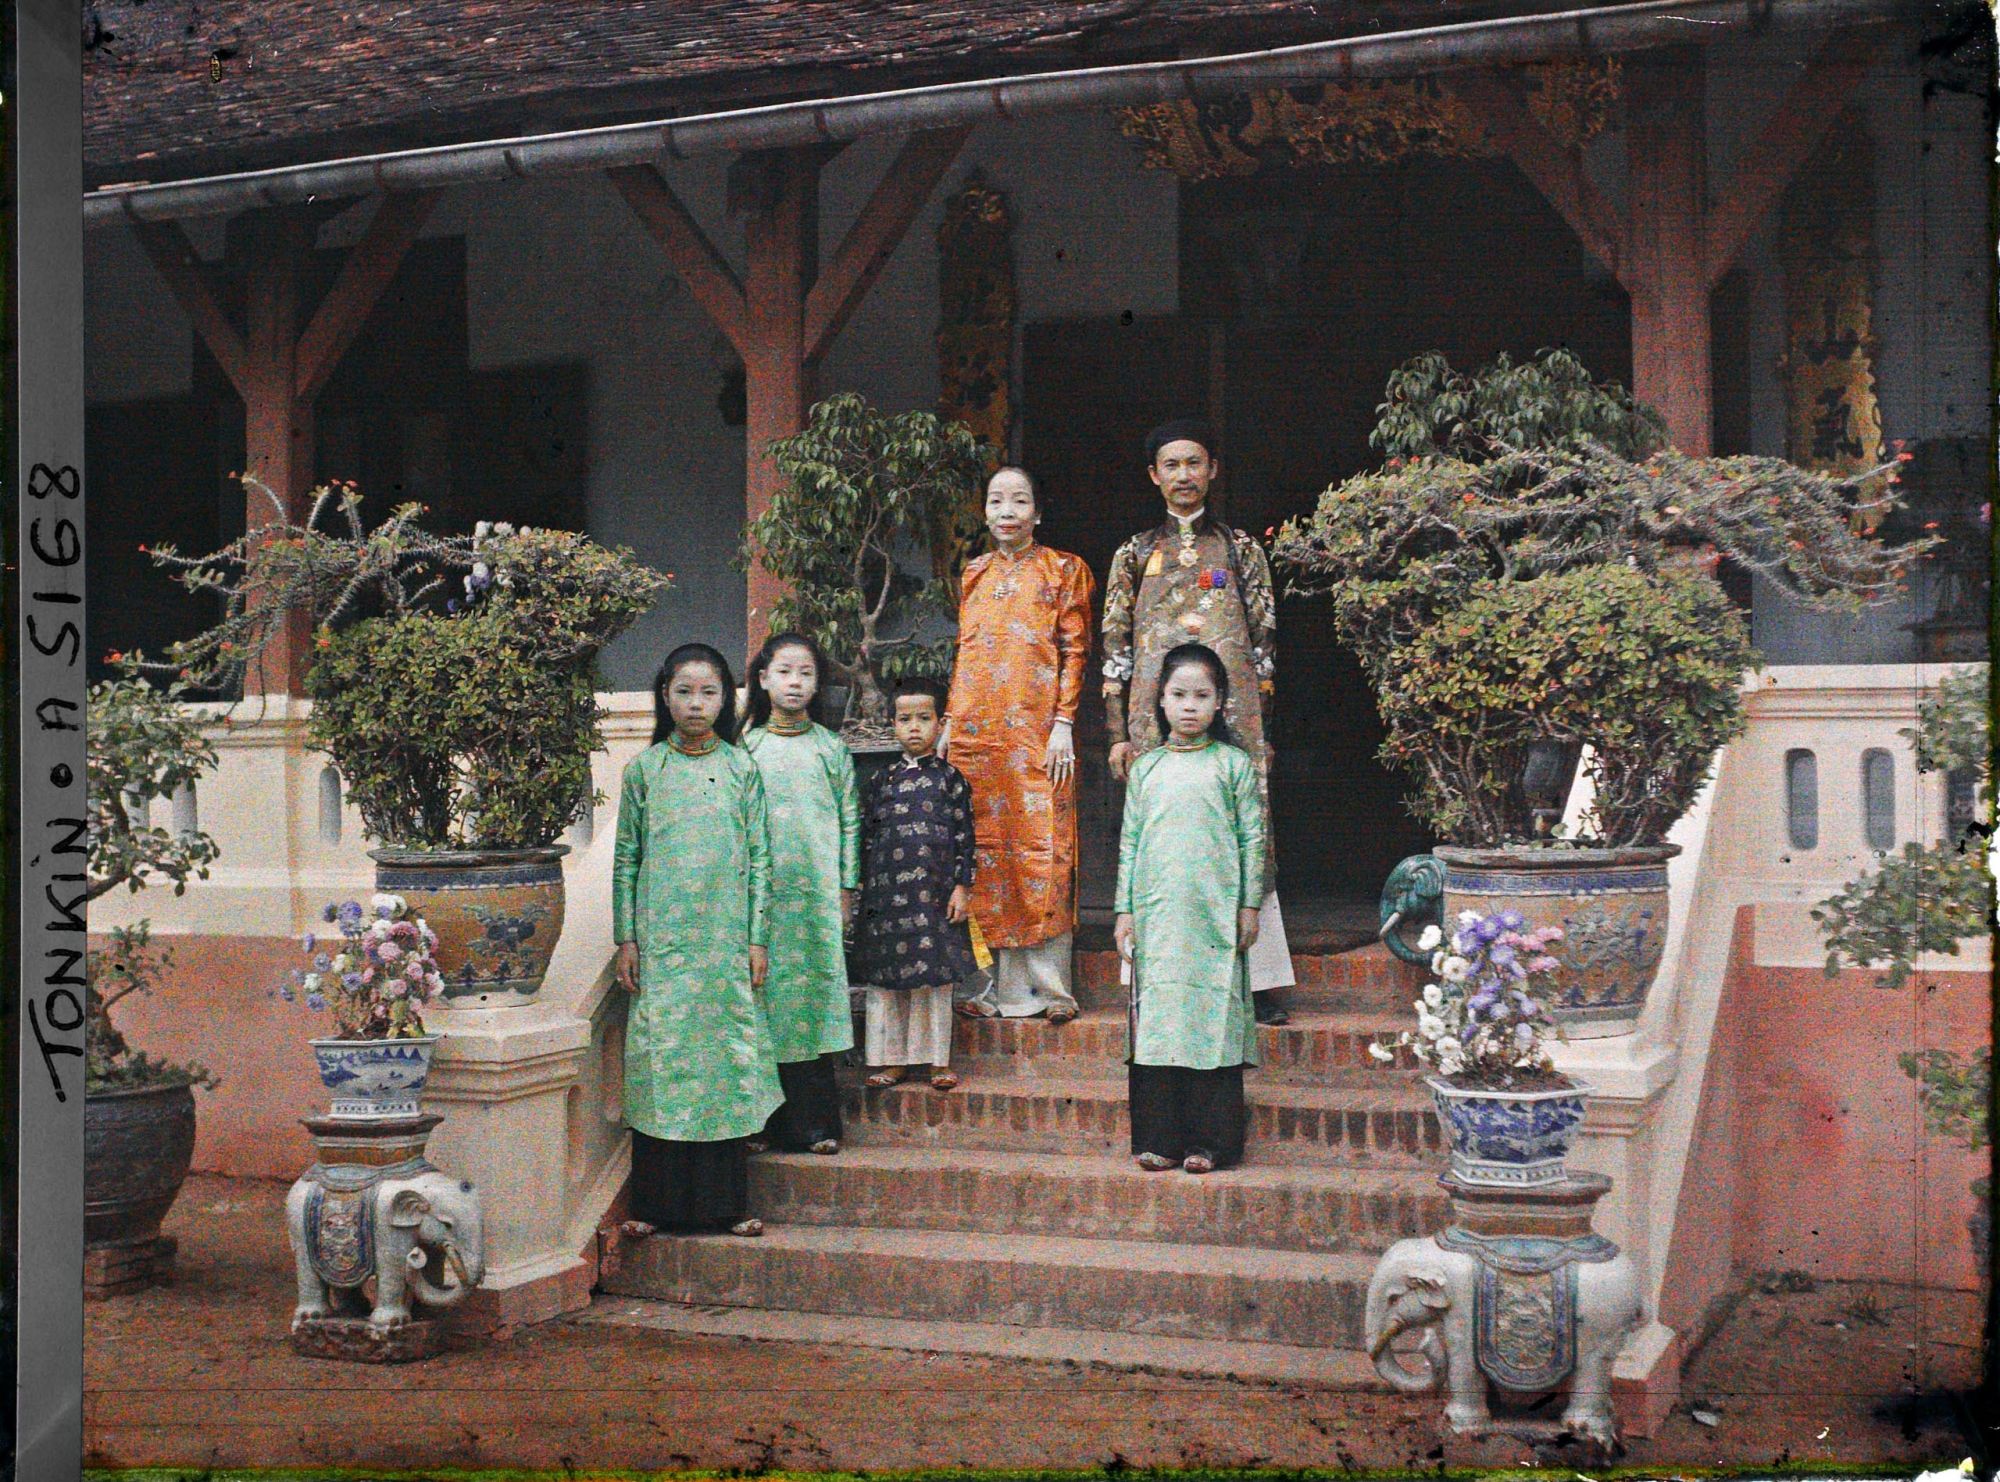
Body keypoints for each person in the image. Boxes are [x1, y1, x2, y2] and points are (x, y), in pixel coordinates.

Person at [1100, 418, 1295, 1026]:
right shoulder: (1134, 554)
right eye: (1171, 465)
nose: (1183, 476)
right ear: (1153, 476)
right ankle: (1154, 978)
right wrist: (1116, 732)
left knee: (1245, 828)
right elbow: (1115, 647)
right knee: (1161, 833)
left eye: (1194, 463)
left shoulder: (1240, 548)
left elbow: (1264, 643)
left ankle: (1258, 982)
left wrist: (1263, 726)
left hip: (1234, 714)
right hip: (1153, 720)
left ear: (1212, 469)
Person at [611, 643, 781, 1239]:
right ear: (664, 696)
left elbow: (762, 860)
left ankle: (727, 1206)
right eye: (684, 691)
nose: (696, 704)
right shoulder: (644, 771)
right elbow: (626, 860)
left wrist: (758, 940)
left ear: (727, 699)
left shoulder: (743, 768)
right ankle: (655, 1208)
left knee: (723, 1062)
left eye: (709, 692)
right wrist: (625, 938)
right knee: (664, 1064)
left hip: (726, 945)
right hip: (663, 949)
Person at [939, 466, 1095, 1024]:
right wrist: (951, 722)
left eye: (1020, 500)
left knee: (1043, 850)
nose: (1008, 510)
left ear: (1037, 512)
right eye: (997, 500)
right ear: (985, 512)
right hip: (980, 738)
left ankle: (1051, 991)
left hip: (1038, 736)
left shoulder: (1064, 570)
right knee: (982, 851)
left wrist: (1064, 723)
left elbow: (1075, 651)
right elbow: (966, 653)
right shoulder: (974, 573)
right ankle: (987, 990)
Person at [1114, 644, 1264, 1175]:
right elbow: (1130, 843)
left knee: (1210, 1019)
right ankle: (1158, 1139)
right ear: (1160, 700)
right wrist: (1124, 911)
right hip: (1157, 918)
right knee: (1158, 1021)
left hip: (1216, 917)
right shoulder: (1147, 769)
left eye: (1202, 695)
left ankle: (1212, 1143)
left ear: (1221, 702)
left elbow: (1252, 839)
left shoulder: (1234, 766)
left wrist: (1249, 905)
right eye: (1179, 695)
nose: (1189, 707)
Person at [740, 633, 861, 1157]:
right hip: (761, 907)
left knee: (809, 1004)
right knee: (764, 1007)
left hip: (815, 900)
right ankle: (763, 1124)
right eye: (785, 672)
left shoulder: (832, 750)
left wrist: (845, 890)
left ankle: (816, 1126)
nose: (795, 683)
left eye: (806, 673)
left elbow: (850, 824)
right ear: (763, 679)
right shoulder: (745, 751)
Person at [855, 677, 978, 1091]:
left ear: (940, 723)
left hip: (933, 899)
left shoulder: (951, 780)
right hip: (888, 901)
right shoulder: (881, 781)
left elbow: (965, 837)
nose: (914, 728)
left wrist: (962, 887)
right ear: (892, 723)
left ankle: (936, 1060)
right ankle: (892, 1061)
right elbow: (867, 840)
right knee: (890, 982)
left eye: (923, 719)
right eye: (905, 719)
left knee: (932, 980)